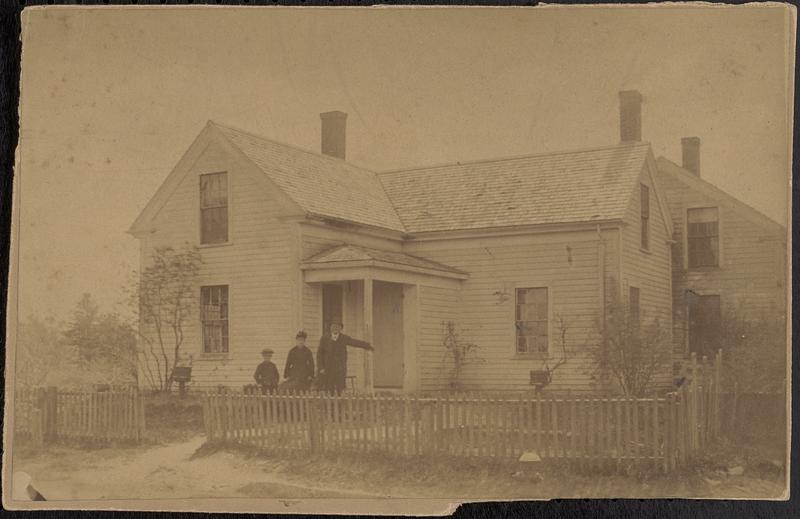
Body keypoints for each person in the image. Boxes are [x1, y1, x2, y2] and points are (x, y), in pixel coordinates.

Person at [317, 321, 374, 394]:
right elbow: (319, 354)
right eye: (333, 326)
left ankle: (339, 404)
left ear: (341, 328)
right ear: (330, 327)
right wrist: (321, 367)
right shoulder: (324, 338)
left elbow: (354, 342)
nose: (335, 328)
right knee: (329, 389)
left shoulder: (344, 338)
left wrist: (367, 346)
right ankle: (330, 405)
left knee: (340, 388)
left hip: (340, 368)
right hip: (328, 368)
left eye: (337, 326)